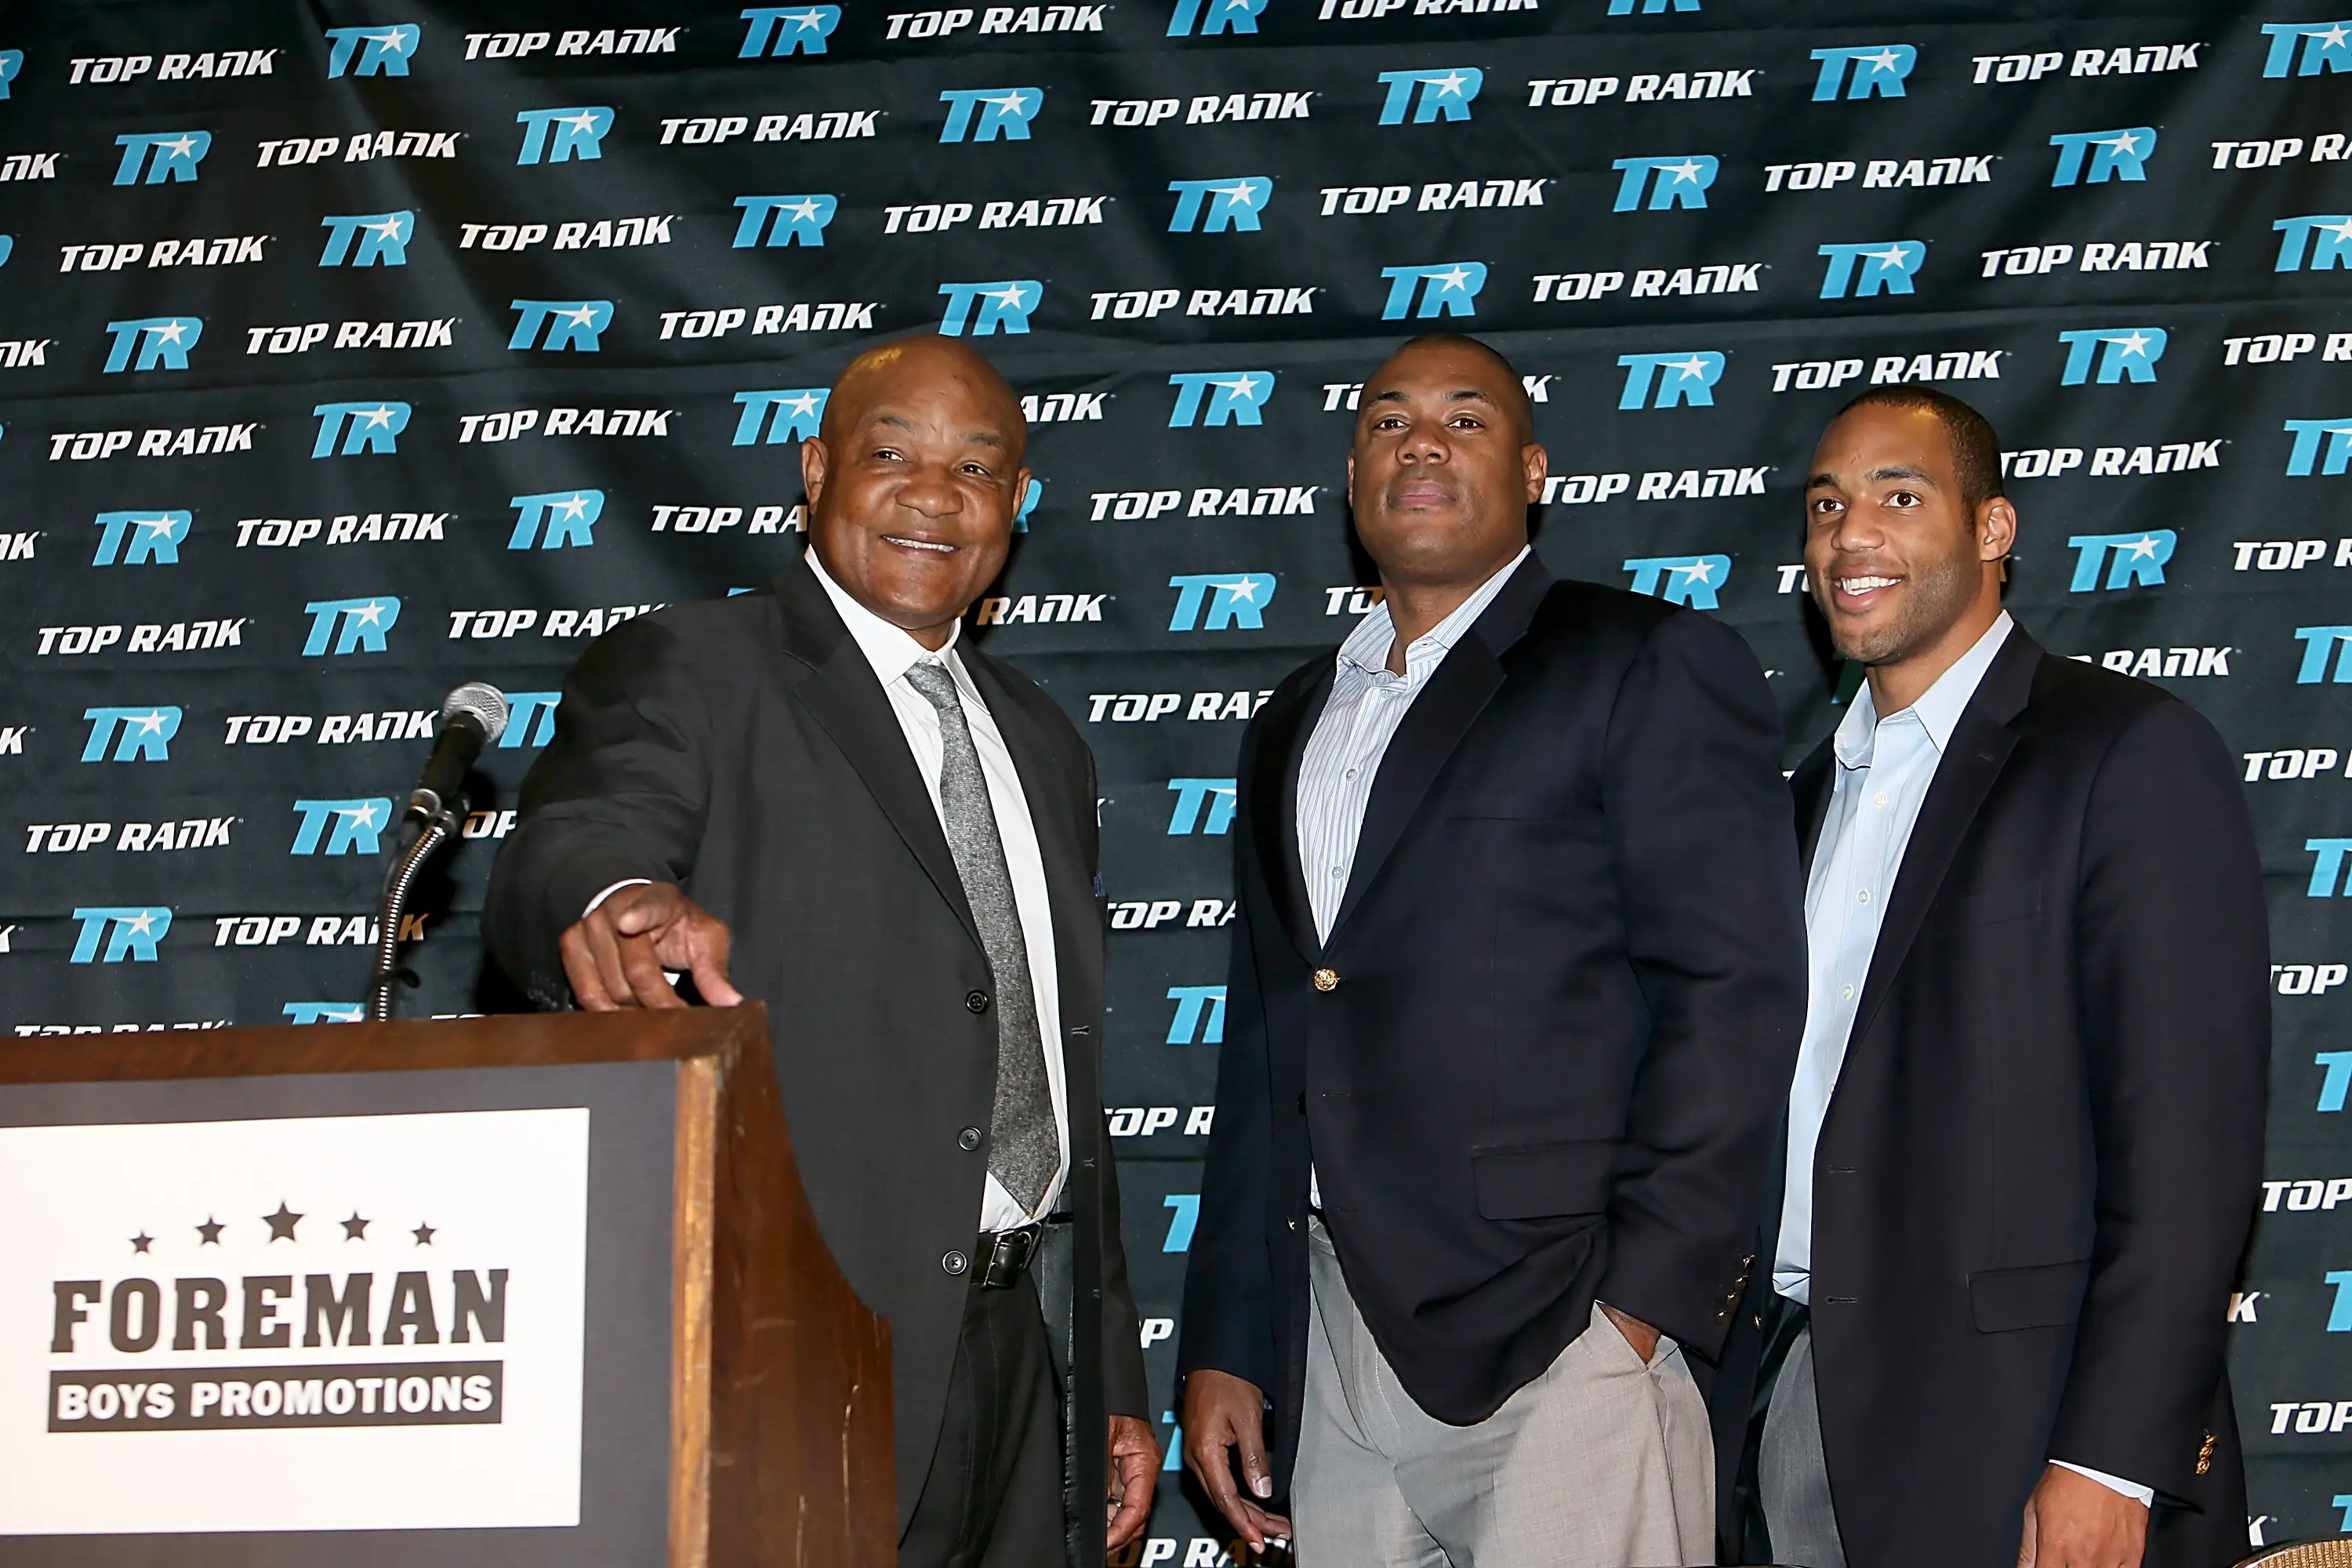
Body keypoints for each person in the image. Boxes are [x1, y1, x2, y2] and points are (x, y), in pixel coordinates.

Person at [483, 334, 1157, 1568]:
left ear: (1019, 502)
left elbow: (1057, 1069)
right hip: (796, 1341)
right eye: (892, 453)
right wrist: (615, 896)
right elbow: (582, 833)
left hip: (1030, 1354)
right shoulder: (695, 664)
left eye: (978, 467)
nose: (934, 494)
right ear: (815, 470)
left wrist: (1107, 1365)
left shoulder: (1046, 743)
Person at [1175, 333, 1807, 1566]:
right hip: (1328, 1339)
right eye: (1387, 420)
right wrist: (1231, 1336)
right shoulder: (1293, 720)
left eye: (1465, 420)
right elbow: (1267, 1047)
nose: (1420, 440)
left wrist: (1642, 1309)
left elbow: (1731, 994)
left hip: (1561, 1330)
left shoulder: (1643, 663)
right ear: (1352, 473)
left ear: (1534, 471)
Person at [1709, 387, 2266, 1568]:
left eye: (1898, 498)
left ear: (1993, 530)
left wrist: (2111, 1458)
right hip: (1789, 1399)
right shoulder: (1794, 806)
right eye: (1826, 506)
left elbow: (2190, 1148)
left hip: (2022, 1423)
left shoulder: (2123, 751)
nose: (1850, 535)